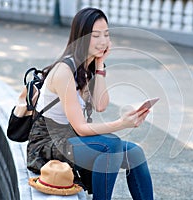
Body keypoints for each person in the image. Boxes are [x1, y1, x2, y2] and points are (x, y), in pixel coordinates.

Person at [27, 7, 154, 200]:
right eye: (96, 36)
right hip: (49, 142)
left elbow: (101, 105)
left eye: (106, 34)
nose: (103, 41)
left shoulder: (88, 66)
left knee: (135, 154)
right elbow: (81, 127)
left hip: (71, 138)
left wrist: (100, 65)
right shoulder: (64, 72)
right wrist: (122, 123)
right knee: (111, 145)